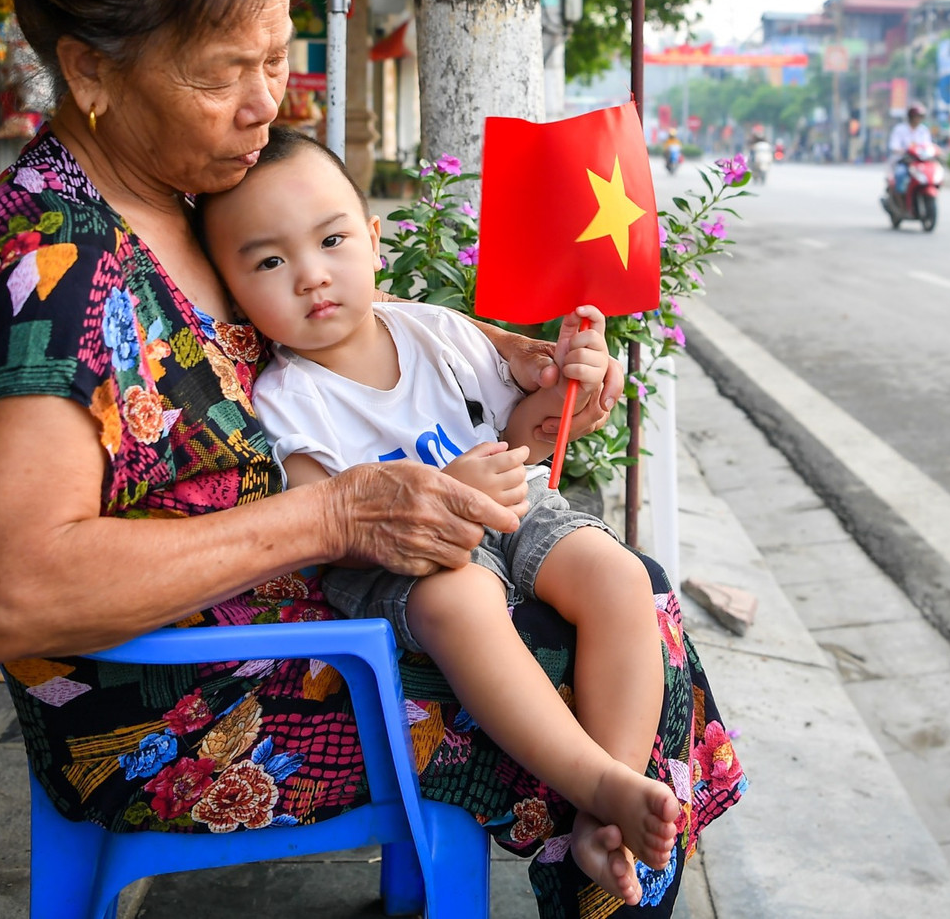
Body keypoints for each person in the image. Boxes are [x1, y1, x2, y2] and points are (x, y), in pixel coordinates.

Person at [0, 0, 742, 917]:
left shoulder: (178, 198)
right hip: (182, 706)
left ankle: (606, 847)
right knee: (609, 655)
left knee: (617, 594)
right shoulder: (58, 273)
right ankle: (610, 859)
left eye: (276, 57)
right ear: (89, 71)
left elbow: (340, 353)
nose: (272, 103)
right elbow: (5, 594)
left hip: (289, 618)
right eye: (222, 74)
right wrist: (333, 516)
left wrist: (521, 373)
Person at [196, 130, 676, 902]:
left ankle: (607, 798)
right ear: (232, 287)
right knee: (464, 597)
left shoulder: (437, 332)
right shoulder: (288, 398)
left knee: (619, 575)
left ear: (373, 241)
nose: (312, 276)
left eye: (331, 240)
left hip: (515, 510)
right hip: (406, 565)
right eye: (269, 262)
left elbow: (523, 436)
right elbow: (326, 533)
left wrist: (570, 383)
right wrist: (438, 489)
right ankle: (596, 779)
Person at [888, 104, 933, 195]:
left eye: (920, 117)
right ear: (910, 117)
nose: (918, 119)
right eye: (916, 117)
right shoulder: (900, 129)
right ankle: (900, 199)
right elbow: (894, 145)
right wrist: (901, 150)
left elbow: (928, 145)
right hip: (904, 161)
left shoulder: (923, 130)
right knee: (900, 174)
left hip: (920, 161)